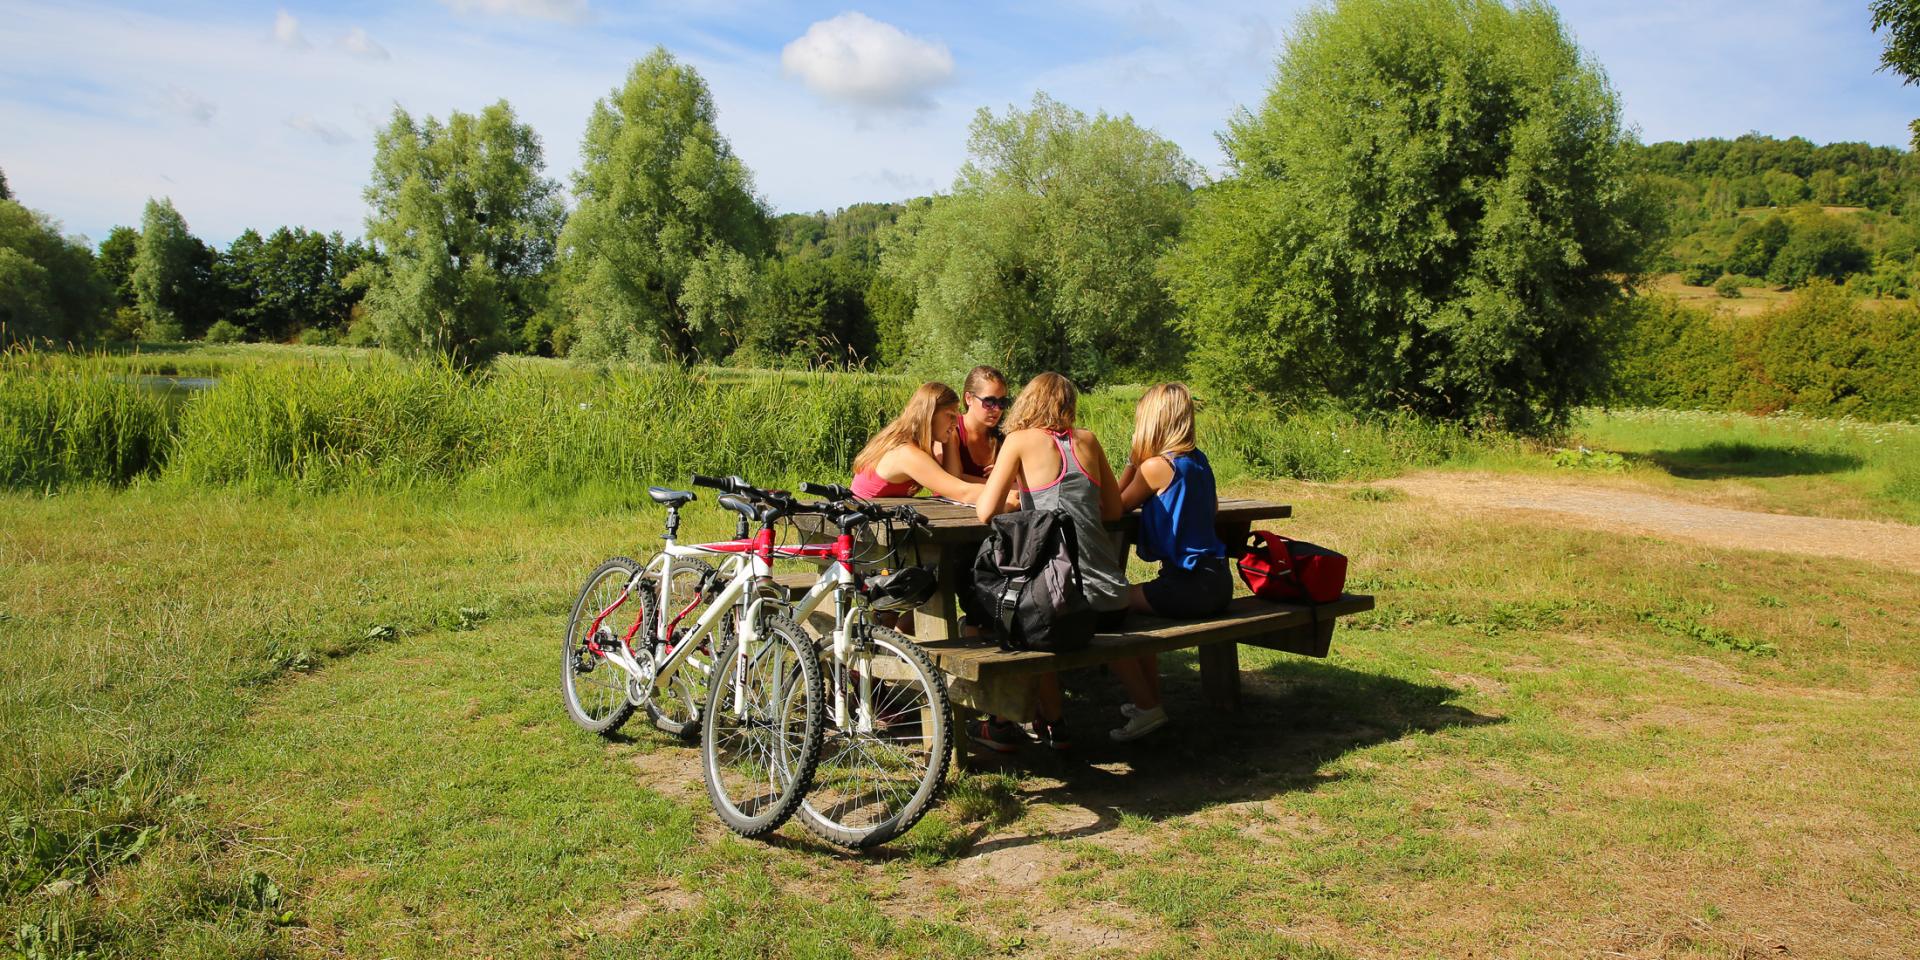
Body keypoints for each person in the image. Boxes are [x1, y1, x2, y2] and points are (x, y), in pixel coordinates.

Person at [972, 372, 1128, 751]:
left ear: (1027, 402)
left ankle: (1003, 722)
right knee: (1033, 609)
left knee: (1006, 615)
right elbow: (1114, 508)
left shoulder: (1019, 440)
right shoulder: (1088, 440)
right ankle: (1050, 721)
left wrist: (1016, 490)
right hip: (1110, 596)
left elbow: (984, 511)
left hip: (1067, 601)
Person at [1108, 383, 1231, 742]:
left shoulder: (1158, 466)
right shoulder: (1198, 461)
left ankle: (1148, 706)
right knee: (1129, 609)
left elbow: (1113, 507)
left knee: (1107, 609)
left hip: (1189, 585)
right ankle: (1150, 702)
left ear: (1152, 422)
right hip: (1216, 580)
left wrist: (1131, 460)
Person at [850, 382, 988, 503]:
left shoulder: (902, 439)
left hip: (869, 522)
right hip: (865, 529)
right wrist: (1009, 494)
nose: (956, 422)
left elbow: (951, 480)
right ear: (930, 415)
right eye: (950, 416)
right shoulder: (906, 453)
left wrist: (949, 436)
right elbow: (961, 492)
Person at [943, 365, 1010, 483]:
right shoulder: (950, 429)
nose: (997, 409)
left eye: (1002, 402)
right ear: (969, 398)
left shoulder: (1004, 435)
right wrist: (1000, 481)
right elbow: (951, 480)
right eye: (989, 402)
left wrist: (1012, 473)